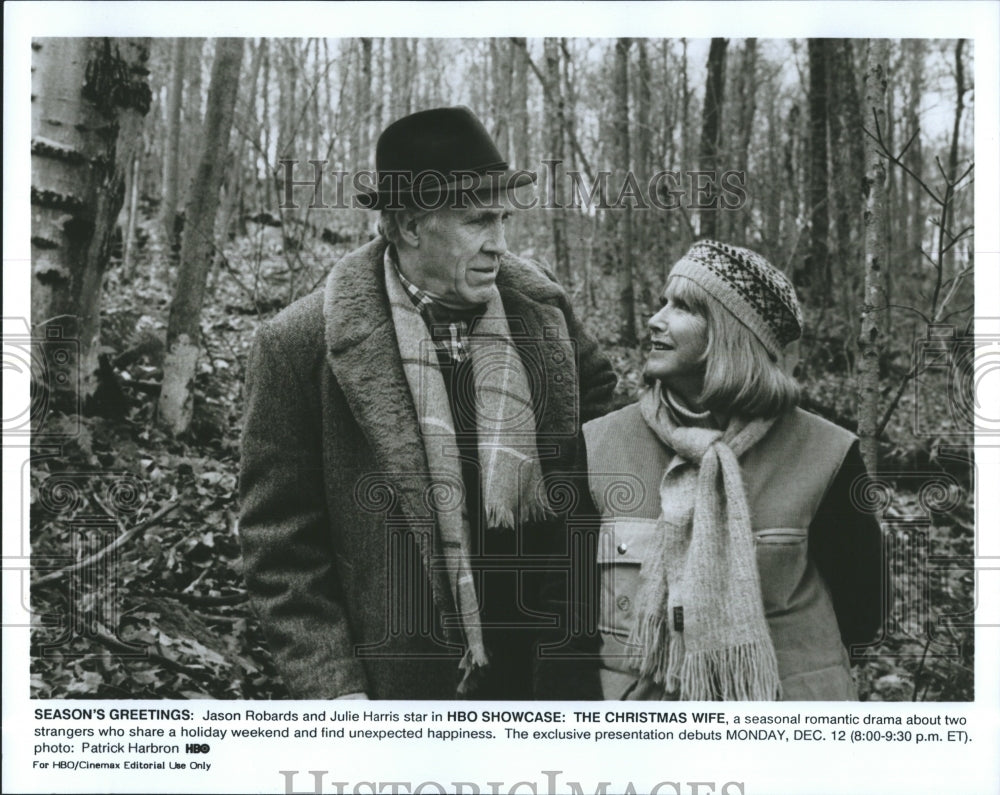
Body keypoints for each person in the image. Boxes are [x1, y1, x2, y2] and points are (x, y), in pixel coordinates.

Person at [239, 106, 616, 700]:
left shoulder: (541, 309)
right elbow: (280, 546)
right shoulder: (299, 346)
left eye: (502, 219)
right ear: (411, 225)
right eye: (477, 221)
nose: (499, 243)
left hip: (548, 667)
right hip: (403, 682)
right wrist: (335, 691)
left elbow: (605, 443)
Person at [584, 239, 885, 701]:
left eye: (682, 306)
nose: (654, 319)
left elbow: (862, 610)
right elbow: (566, 614)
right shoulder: (597, 445)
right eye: (663, 301)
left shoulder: (828, 452)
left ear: (731, 335)